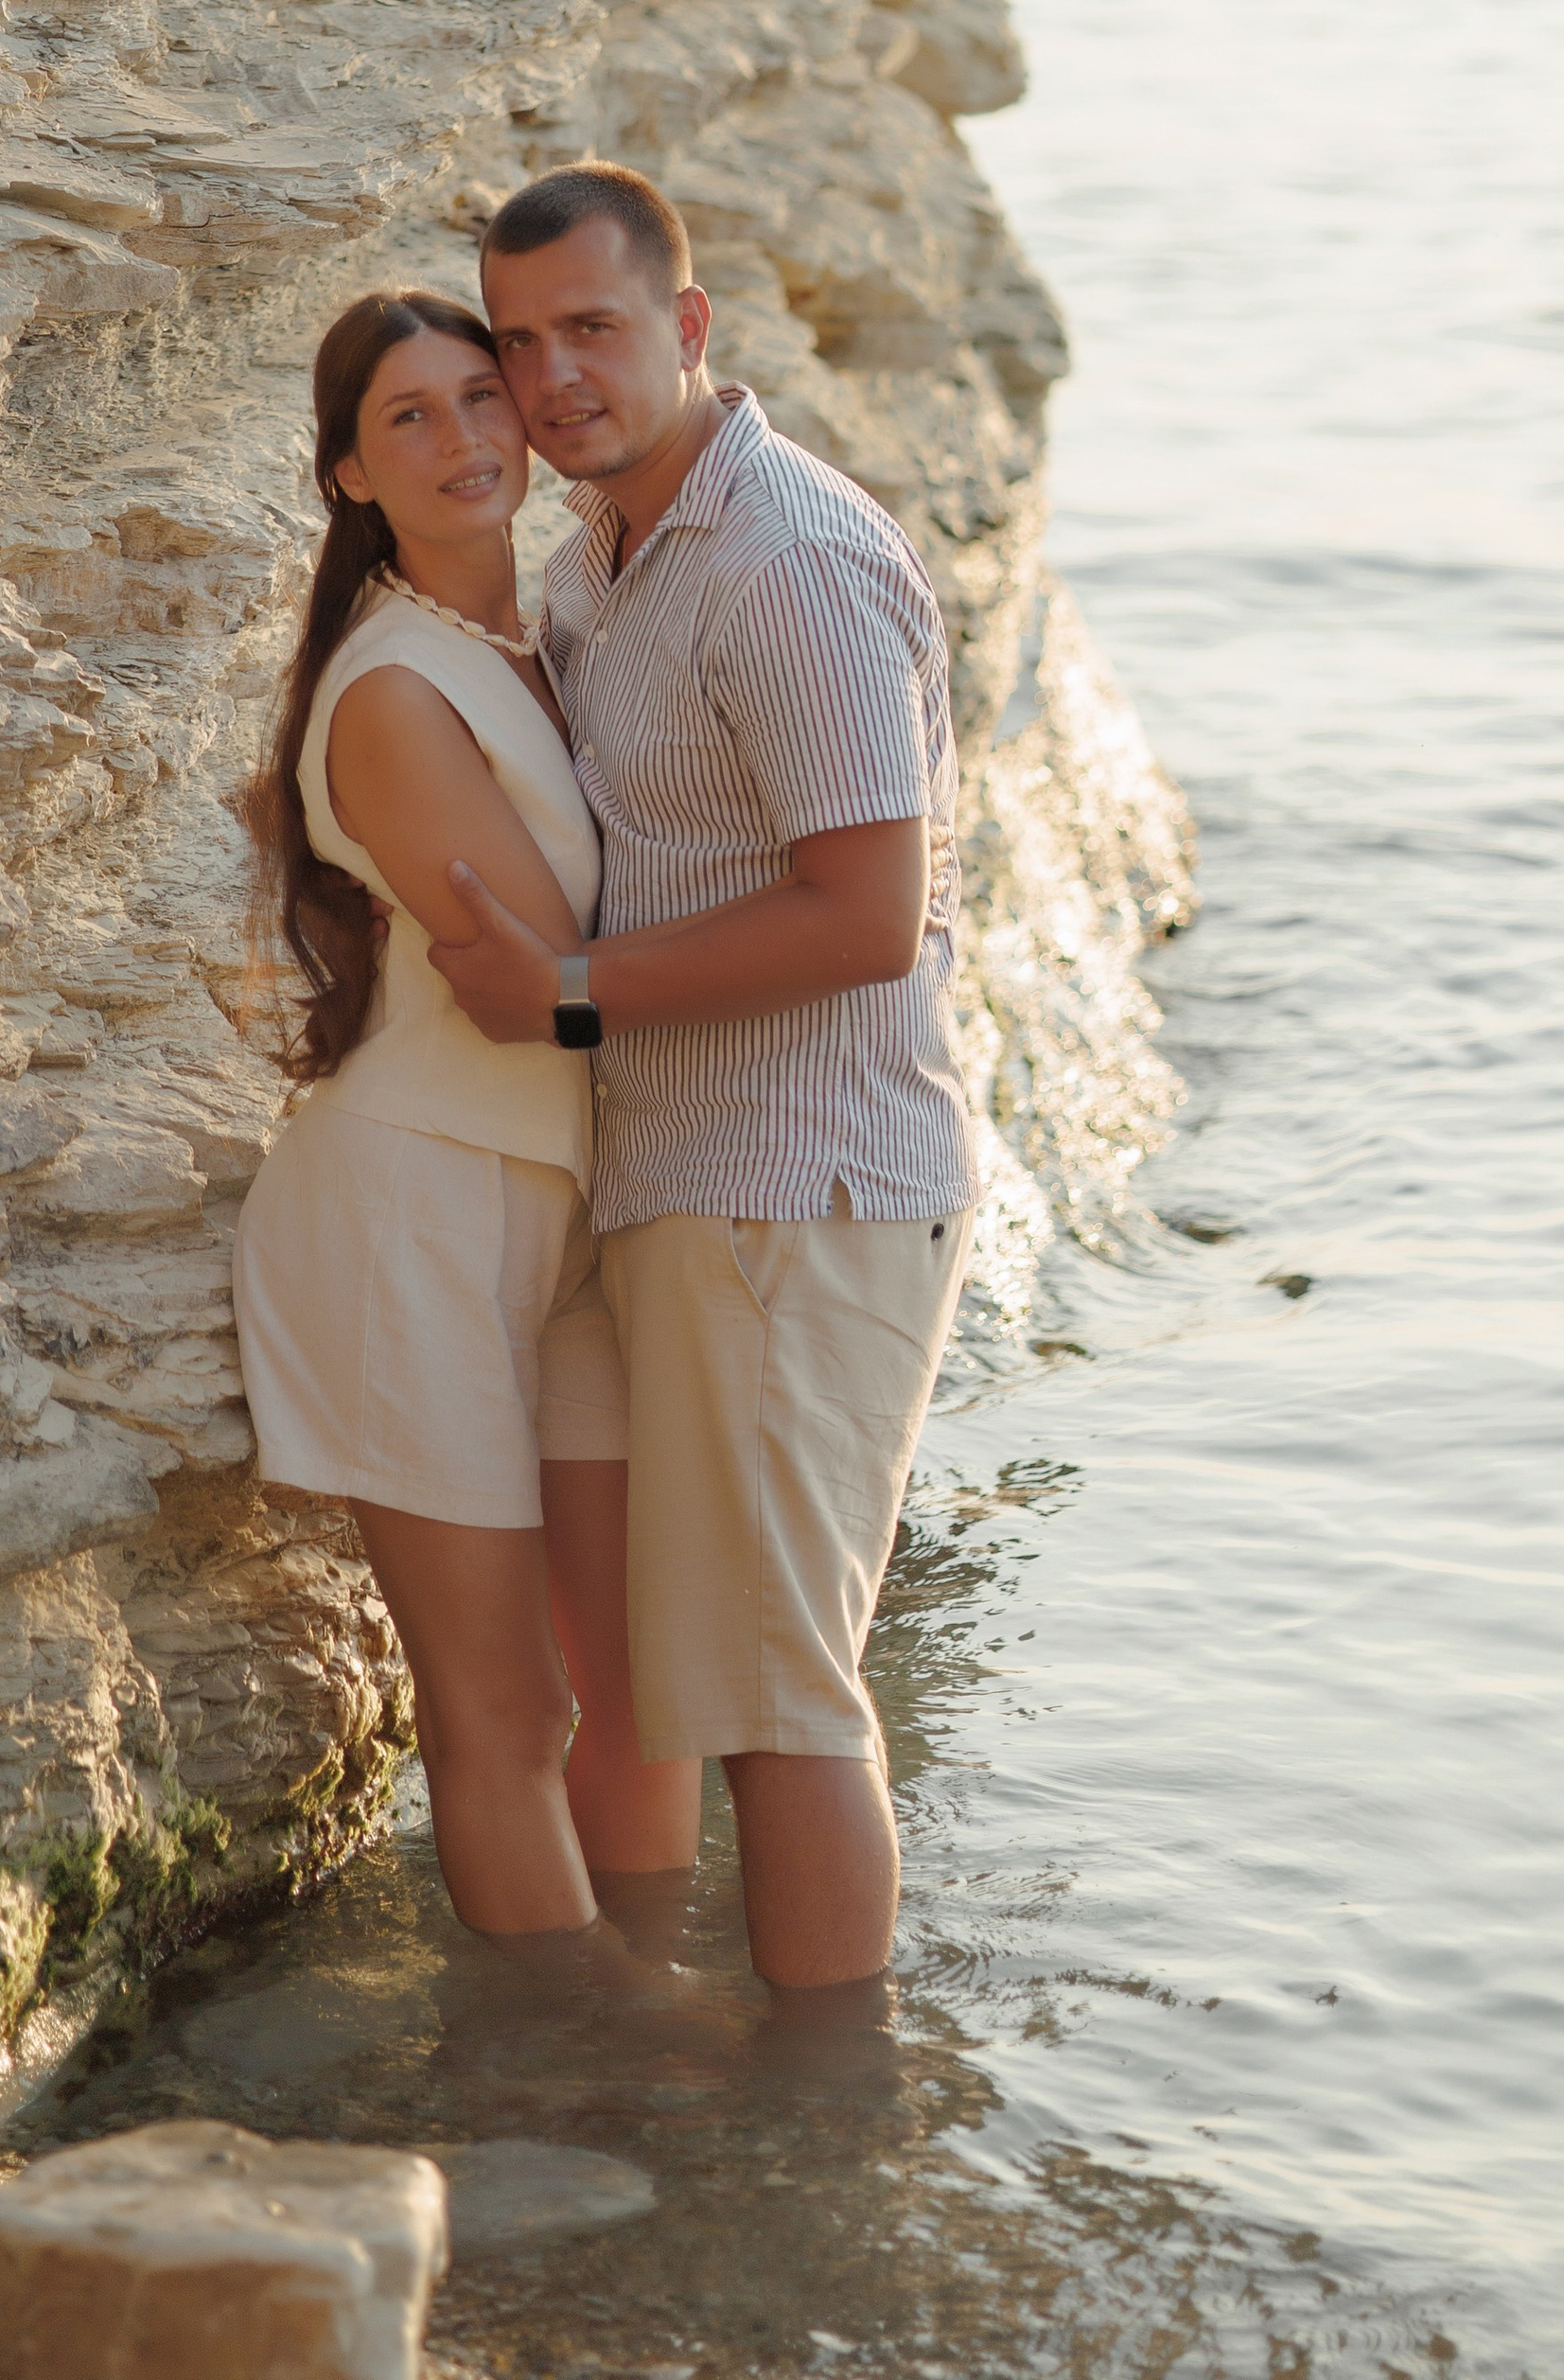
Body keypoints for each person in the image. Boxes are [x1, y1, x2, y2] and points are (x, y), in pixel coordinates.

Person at [432, 162, 978, 2012]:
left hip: (791, 1185)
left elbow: (867, 916)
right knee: (681, 1677)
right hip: (663, 1184)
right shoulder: (600, 560)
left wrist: (567, 996)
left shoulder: (787, 562)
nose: (551, 377)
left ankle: (822, 2152)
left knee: (776, 1701)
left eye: (590, 329)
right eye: (516, 343)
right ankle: (654, 2073)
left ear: (685, 328)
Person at [232, 285, 700, 1959]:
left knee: (640, 1686)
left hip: (568, 1202)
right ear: (348, 478)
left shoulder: (557, 634)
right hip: (412, 1211)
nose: (459, 440)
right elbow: (537, 966)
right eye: (405, 420)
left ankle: (655, 2035)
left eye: (476, 399)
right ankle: (574, 2084)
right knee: (503, 1714)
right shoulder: (393, 693)